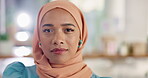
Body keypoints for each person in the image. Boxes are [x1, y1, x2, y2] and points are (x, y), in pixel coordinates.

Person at [2, 0, 111, 78]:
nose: (58, 40)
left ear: (81, 37)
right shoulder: (18, 74)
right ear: (38, 38)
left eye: (68, 30)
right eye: (48, 30)